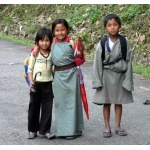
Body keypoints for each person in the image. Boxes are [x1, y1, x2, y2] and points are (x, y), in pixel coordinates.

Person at [33, 18, 85, 140]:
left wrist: (81, 51)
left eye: (63, 30)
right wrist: (35, 47)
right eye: (57, 30)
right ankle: (62, 130)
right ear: (53, 32)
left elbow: (79, 60)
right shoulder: (52, 44)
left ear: (67, 30)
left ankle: (73, 130)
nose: (60, 32)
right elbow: (42, 49)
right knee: (60, 104)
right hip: (58, 77)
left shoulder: (72, 43)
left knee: (72, 103)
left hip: (72, 75)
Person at [92, 14, 134, 138]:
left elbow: (129, 61)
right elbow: (97, 62)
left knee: (118, 102)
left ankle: (117, 126)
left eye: (115, 25)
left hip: (120, 76)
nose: (112, 28)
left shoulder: (124, 42)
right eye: (109, 25)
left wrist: (128, 80)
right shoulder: (103, 42)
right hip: (106, 75)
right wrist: (97, 81)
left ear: (119, 26)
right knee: (106, 102)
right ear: (105, 27)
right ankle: (107, 127)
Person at [27, 27, 55, 140]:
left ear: (50, 42)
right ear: (37, 41)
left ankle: (45, 131)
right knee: (34, 107)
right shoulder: (35, 53)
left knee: (47, 108)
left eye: (47, 40)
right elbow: (30, 69)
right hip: (36, 84)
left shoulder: (52, 53)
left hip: (48, 84)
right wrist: (31, 81)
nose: (44, 43)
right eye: (42, 40)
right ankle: (33, 130)